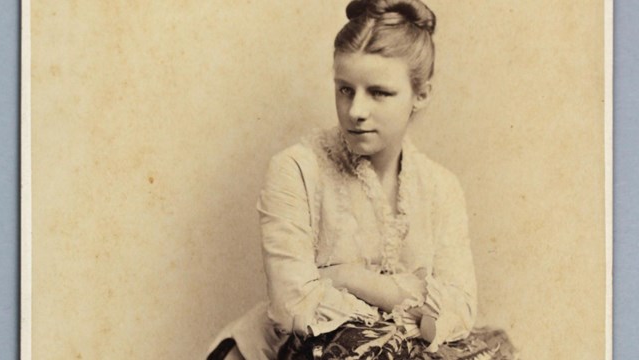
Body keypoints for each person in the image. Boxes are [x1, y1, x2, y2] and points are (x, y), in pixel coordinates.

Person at [208, 1, 515, 359]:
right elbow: (294, 307)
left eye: (379, 93)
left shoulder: (440, 188)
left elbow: (458, 309)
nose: (356, 111)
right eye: (344, 89)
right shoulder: (296, 169)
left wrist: (346, 277)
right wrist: (409, 296)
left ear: (421, 95)